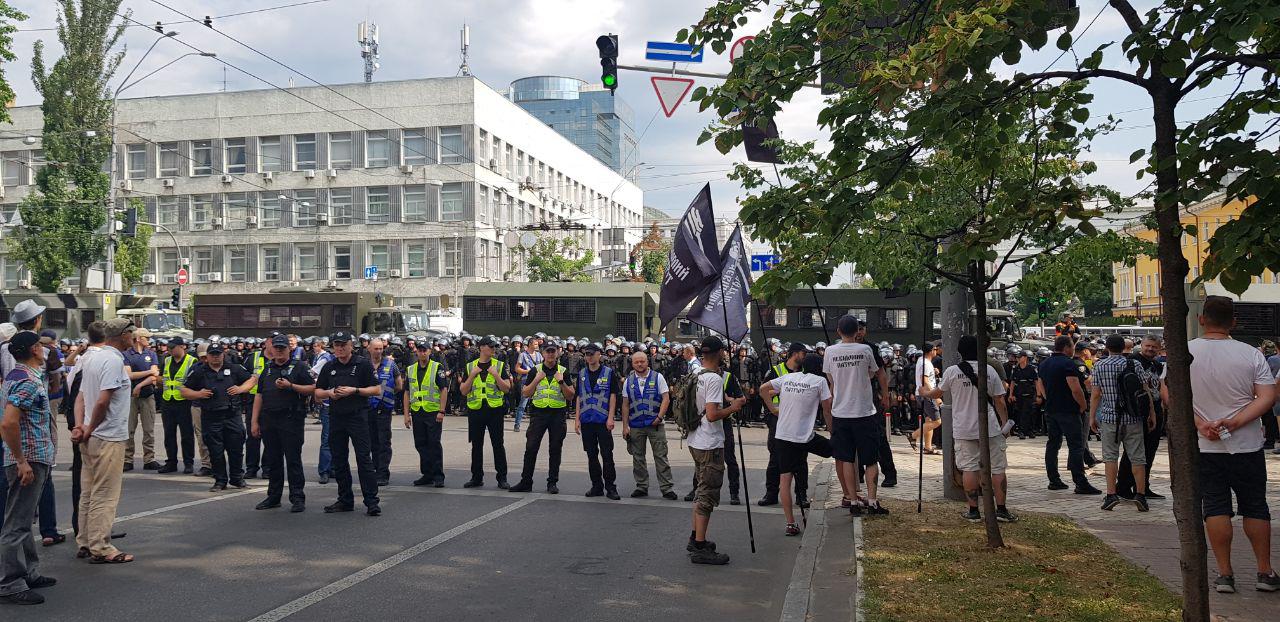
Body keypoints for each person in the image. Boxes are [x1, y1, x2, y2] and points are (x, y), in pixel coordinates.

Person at [1170, 296, 1278, 594]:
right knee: (1255, 506)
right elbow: (1267, 397)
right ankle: (1264, 571)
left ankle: (1225, 574)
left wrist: (1200, 423)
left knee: (1215, 506)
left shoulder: (1185, 352)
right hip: (1246, 444)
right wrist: (1235, 422)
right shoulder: (1250, 354)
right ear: (1233, 322)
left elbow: (1170, 394)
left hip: (1204, 445)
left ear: (1202, 319)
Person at [921, 335, 1018, 523]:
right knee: (998, 468)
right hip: (990, 428)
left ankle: (973, 511)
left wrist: (924, 392)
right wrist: (1005, 424)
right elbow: (999, 400)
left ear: (959, 351)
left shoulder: (952, 371)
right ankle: (1001, 509)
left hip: (964, 428)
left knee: (969, 469)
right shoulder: (989, 370)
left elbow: (938, 393)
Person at [0, 331, 58, 605]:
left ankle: (29, 573)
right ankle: (10, 583)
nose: (44, 349)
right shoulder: (27, 381)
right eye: (40, 346)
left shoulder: (17, 376)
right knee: (17, 523)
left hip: (31, 456)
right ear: (34, 349)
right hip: (29, 458)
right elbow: (8, 423)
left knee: (23, 521)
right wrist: (21, 461)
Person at [71, 318, 135, 564]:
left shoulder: (91, 357)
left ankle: (85, 541)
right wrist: (89, 428)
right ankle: (101, 547)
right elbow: (102, 401)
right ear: (122, 335)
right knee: (105, 494)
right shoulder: (113, 360)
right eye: (131, 333)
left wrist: (81, 426)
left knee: (88, 492)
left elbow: (80, 397)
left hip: (91, 435)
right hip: (107, 435)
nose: (134, 337)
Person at [758, 353, 833, 536]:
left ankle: (790, 523)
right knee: (836, 450)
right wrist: (833, 432)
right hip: (804, 436)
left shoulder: (788, 377)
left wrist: (773, 409)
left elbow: (763, 389)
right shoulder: (820, 382)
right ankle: (851, 495)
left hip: (783, 435)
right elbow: (827, 410)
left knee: (785, 478)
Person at [824, 315, 891, 516]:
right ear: (858, 332)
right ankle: (872, 501)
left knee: (846, 458)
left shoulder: (830, 351)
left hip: (840, 412)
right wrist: (885, 395)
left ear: (838, 331)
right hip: (864, 412)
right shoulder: (865, 350)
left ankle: (852, 501)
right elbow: (879, 373)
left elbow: (831, 379)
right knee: (870, 459)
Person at [686, 336, 743, 565]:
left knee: (701, 490)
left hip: (695, 439)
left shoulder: (695, 373)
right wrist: (733, 407)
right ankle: (700, 547)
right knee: (707, 494)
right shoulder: (714, 379)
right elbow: (712, 415)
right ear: (719, 353)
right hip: (709, 442)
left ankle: (695, 538)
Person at [314, 332, 382, 516]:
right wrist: (329, 393)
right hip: (336, 417)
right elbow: (317, 392)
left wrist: (355, 390)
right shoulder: (329, 366)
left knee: (364, 459)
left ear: (351, 345)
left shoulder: (362, 364)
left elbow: (377, 389)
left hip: (357, 416)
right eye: (337, 345)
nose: (340, 348)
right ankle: (345, 500)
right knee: (339, 459)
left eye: (343, 344)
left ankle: (371, 502)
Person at [1088, 334, 1157, 513]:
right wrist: (1151, 414)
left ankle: (1111, 495)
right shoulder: (1135, 365)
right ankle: (1140, 495)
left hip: (1110, 418)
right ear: (1125, 348)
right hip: (1134, 418)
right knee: (1138, 458)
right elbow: (1145, 391)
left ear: (1107, 348)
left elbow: (1096, 394)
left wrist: (1092, 417)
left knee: (1110, 457)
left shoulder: (1100, 365)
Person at [250, 334, 316, 513]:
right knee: (273, 460)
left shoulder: (299, 367)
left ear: (289, 349)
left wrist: (291, 386)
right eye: (276, 348)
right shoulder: (268, 369)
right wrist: (254, 421)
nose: (279, 351)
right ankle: (273, 497)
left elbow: (313, 389)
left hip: (291, 419)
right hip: (269, 419)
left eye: (282, 348)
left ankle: (297, 498)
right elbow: (259, 395)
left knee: (293, 459)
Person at [181, 343, 255, 492]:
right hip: (211, 416)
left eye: (218, 354)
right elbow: (184, 390)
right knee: (215, 451)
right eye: (212, 354)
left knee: (236, 449)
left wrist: (240, 389)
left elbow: (252, 380)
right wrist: (198, 394)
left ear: (223, 354)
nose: (215, 357)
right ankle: (220, 481)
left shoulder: (234, 368)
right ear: (207, 356)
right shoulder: (199, 371)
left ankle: (237, 478)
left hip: (232, 415)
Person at [1038, 335, 1101, 495]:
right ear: (1066, 347)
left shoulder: (1044, 363)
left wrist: (1048, 399)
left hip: (1051, 409)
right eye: (1072, 346)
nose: (1073, 349)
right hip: (1069, 410)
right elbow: (1075, 387)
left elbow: (1040, 384)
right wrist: (1083, 405)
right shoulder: (1068, 363)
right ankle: (1080, 482)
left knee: (1053, 444)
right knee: (1076, 446)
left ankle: (1054, 480)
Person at [510, 342, 574, 494]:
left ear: (557, 353)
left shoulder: (563, 371)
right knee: (531, 448)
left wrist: (561, 382)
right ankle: (526, 482)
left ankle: (552, 483)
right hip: (539, 414)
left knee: (555, 449)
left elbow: (570, 395)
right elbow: (526, 393)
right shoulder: (535, 370)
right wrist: (536, 380)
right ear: (543, 353)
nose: (550, 354)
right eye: (548, 351)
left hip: (557, 414)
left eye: (553, 351)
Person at [758, 343, 809, 507]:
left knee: (800, 458)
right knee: (776, 457)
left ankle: (801, 495)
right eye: (803, 353)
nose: (805, 356)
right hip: (778, 418)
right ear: (794, 354)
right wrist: (773, 409)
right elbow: (763, 391)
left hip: (798, 419)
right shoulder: (776, 371)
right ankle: (771, 494)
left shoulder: (805, 372)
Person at [621, 350, 676, 500]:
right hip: (636, 425)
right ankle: (641, 486)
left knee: (661, 456)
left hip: (655, 424)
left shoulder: (658, 377)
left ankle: (667, 488)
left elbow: (666, 399)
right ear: (632, 364)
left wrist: (659, 417)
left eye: (642, 361)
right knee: (638, 457)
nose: (639, 364)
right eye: (636, 362)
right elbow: (625, 404)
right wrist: (625, 426)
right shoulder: (628, 381)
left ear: (647, 362)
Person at [459, 337, 512, 489]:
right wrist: (472, 375)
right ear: (481, 347)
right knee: (476, 446)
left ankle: (502, 478)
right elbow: (463, 391)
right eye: (490, 346)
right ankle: (476, 478)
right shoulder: (470, 366)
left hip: (494, 410)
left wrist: (496, 375)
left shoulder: (499, 365)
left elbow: (506, 388)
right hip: (476, 410)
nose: (493, 349)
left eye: (494, 346)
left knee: (498, 445)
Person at [575, 343, 620, 500]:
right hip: (587, 420)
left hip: (603, 420)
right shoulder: (581, 373)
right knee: (591, 455)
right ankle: (596, 486)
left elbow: (613, 396)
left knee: (607, 454)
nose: (589, 357)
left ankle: (611, 487)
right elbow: (579, 396)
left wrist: (611, 417)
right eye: (587, 354)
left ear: (599, 355)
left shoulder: (608, 372)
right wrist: (577, 419)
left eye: (591, 354)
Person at [404, 341, 448, 487]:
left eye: (425, 350)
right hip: (417, 412)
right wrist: (406, 414)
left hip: (433, 412)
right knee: (420, 444)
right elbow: (407, 392)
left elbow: (443, 390)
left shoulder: (437, 367)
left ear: (429, 351)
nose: (422, 353)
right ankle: (427, 474)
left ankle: (438, 475)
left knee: (434, 444)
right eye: (420, 350)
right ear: (416, 351)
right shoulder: (410, 369)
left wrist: (442, 411)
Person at [122, 328, 161, 472]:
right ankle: (127, 459)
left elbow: (154, 375)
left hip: (147, 394)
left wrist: (139, 385)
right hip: (130, 396)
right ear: (138, 338)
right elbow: (128, 375)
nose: (149, 340)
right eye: (146, 338)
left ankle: (149, 458)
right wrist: (148, 372)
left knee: (149, 429)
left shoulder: (151, 354)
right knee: (129, 429)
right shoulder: (126, 355)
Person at [365, 339, 401, 487]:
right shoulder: (364, 365)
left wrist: (386, 396)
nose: (379, 351)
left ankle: (383, 473)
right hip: (368, 409)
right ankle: (374, 469)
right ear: (369, 349)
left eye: (381, 348)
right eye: (376, 349)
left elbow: (399, 385)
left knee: (384, 442)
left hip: (384, 409)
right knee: (371, 441)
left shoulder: (391, 364)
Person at [241, 339, 267, 480]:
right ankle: (251, 468)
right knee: (252, 436)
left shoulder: (281, 359)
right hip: (252, 401)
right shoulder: (253, 357)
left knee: (270, 437)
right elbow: (243, 377)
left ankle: (267, 469)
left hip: (271, 402)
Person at [910, 341, 942, 454]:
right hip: (927, 395)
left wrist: (933, 371)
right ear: (931, 351)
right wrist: (935, 396)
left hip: (922, 394)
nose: (936, 351)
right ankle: (913, 436)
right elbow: (925, 381)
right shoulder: (926, 363)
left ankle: (927, 447)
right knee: (937, 421)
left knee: (929, 420)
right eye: (935, 349)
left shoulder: (921, 360)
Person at [1007, 350, 1043, 439]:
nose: (1018, 359)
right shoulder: (1016, 369)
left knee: (1031, 413)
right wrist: (1011, 395)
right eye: (1017, 357)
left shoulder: (1032, 369)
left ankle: (1030, 430)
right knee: (1020, 414)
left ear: (1025, 358)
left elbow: (1037, 382)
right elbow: (1012, 382)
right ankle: (1021, 431)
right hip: (1019, 395)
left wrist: (1038, 395)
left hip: (1030, 395)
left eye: (1020, 357)